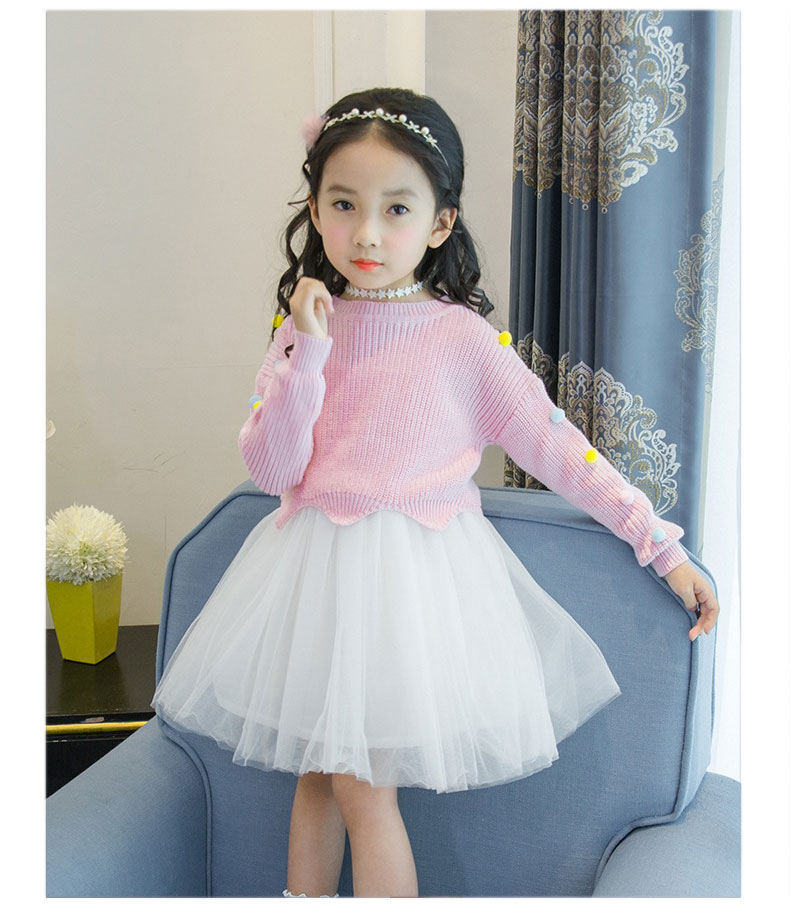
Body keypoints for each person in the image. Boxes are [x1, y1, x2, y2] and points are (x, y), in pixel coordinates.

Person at [150, 86, 720, 898]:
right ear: (314, 208)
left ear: (440, 222)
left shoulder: (463, 341)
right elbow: (273, 469)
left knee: (361, 788)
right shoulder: (303, 329)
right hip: (313, 590)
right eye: (344, 204)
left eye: (396, 209)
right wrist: (307, 351)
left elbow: (560, 445)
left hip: (411, 598)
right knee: (317, 781)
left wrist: (659, 545)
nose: (367, 232)